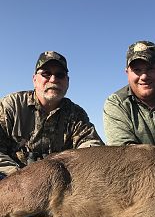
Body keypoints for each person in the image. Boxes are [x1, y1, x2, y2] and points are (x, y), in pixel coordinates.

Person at [0, 51, 104, 179]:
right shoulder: (11, 105)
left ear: (67, 81)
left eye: (60, 75)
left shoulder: (77, 114)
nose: (53, 79)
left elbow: (92, 148)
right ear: (34, 79)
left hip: (58, 184)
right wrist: (19, 178)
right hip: (11, 181)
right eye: (46, 74)